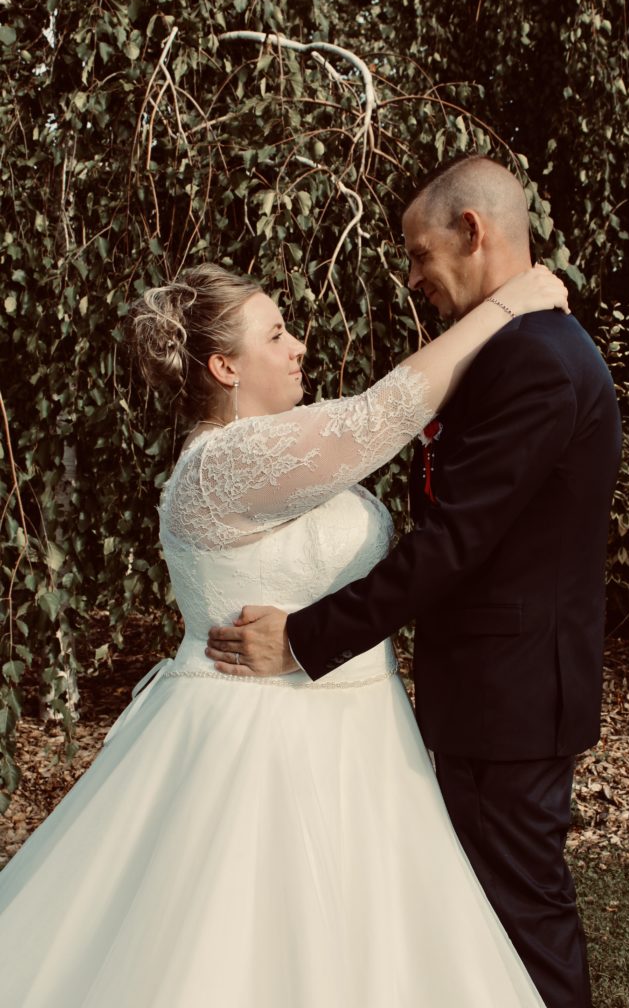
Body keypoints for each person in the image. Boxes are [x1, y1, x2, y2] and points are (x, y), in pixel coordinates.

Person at [0, 254, 567, 1006]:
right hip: (257, 743)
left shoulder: (279, 448)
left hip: (362, 734)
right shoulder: (223, 463)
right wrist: (506, 305)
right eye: (275, 335)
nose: (298, 345)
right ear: (224, 367)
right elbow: (379, 416)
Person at [205, 156, 623, 1008]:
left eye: (418, 253)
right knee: (486, 920)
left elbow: (451, 543)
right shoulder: (513, 346)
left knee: (519, 920)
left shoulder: (536, 360)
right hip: (495, 688)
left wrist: (304, 638)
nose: (410, 277)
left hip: (510, 696)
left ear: (472, 232)